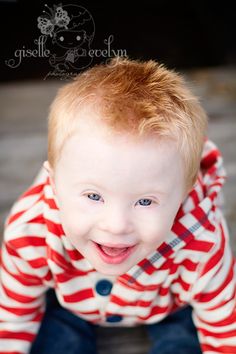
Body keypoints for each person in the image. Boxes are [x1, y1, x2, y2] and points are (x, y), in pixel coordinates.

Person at [0, 57, 235, 354]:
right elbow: (12, 313)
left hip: (167, 306)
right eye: (94, 196)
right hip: (71, 303)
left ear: (183, 195)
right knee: (57, 338)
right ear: (55, 185)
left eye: (145, 200)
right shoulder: (29, 232)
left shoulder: (203, 241)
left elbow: (222, 323)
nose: (116, 224)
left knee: (182, 339)